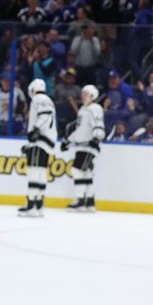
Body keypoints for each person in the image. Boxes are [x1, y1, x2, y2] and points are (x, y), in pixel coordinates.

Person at [62, 84, 105, 212]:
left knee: (77, 170)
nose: (82, 95)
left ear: (92, 96)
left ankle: (80, 200)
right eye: (82, 93)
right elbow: (79, 129)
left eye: (85, 93)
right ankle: (89, 201)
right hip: (81, 146)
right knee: (86, 173)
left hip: (88, 146)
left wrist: (96, 138)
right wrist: (68, 141)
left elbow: (98, 125)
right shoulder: (82, 110)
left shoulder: (95, 108)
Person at [18, 79, 57, 218]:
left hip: (39, 140)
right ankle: (39, 204)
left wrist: (35, 130)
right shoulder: (49, 100)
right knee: (40, 172)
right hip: (47, 142)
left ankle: (31, 205)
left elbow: (44, 116)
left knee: (33, 171)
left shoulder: (38, 99)